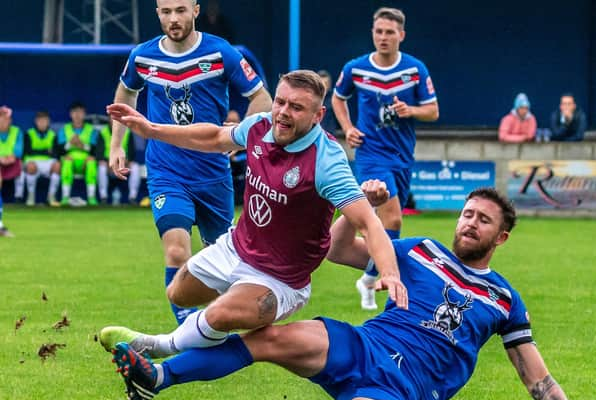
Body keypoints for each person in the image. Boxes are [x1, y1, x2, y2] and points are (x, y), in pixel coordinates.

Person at [102, 187, 591, 400]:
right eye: (466, 214)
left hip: (403, 385)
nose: (469, 224)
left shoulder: (504, 298)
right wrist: (360, 207)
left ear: (500, 237)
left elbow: (537, 379)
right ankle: (159, 378)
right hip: (360, 345)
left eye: (482, 221)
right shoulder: (419, 250)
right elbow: (338, 251)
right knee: (267, 339)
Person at [101, 70, 407, 363]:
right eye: (280, 102)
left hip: (280, 279)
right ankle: (214, 326)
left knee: (219, 315)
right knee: (178, 294)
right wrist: (152, 129)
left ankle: (159, 346)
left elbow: (367, 221)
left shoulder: (326, 160)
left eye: (297, 107)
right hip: (234, 247)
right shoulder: (259, 126)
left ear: (318, 116)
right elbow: (215, 137)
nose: (283, 112)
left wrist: (390, 273)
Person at [109, 0, 272, 324]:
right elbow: (125, 96)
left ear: (196, 11)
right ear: (157, 13)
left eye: (180, 10)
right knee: (175, 251)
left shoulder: (220, 52)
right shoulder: (142, 56)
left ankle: (221, 324)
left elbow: (261, 98)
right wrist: (117, 144)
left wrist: (239, 137)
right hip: (166, 171)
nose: (173, 18)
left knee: (224, 264)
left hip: (212, 175)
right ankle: (188, 333)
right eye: (166, 12)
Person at [331, 7, 439, 311]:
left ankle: (369, 274)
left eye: (389, 32)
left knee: (386, 222)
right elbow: (338, 98)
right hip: (371, 155)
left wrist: (411, 111)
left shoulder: (415, 69)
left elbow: (433, 110)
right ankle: (381, 277)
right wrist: (348, 128)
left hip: (402, 155)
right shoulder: (356, 68)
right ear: (372, 34)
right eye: (378, 31)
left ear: (401, 36)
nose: (383, 37)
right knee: (391, 217)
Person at [15, 111, 61, 206]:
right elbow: (28, 151)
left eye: (45, 121)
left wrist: (39, 151)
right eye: (40, 121)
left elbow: (56, 153)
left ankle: (51, 197)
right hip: (32, 161)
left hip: (48, 162)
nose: (42, 123)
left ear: (48, 122)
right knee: (31, 166)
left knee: (57, 166)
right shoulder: (29, 134)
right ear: (36, 121)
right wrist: (46, 151)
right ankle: (31, 197)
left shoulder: (53, 135)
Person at [57, 101, 99, 206]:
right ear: (71, 114)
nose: (77, 115)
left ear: (84, 114)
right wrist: (70, 144)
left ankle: (91, 197)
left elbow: (95, 149)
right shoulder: (64, 129)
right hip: (70, 158)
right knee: (66, 163)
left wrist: (82, 145)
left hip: (85, 159)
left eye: (80, 112)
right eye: (75, 112)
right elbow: (59, 149)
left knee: (91, 163)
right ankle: (65, 197)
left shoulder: (91, 130)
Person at [96, 118, 141, 205]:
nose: (114, 121)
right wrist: (110, 163)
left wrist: (125, 162)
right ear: (109, 118)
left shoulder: (127, 132)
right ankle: (103, 197)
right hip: (108, 165)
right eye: (112, 118)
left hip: (123, 164)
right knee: (101, 167)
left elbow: (132, 153)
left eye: (117, 118)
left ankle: (132, 197)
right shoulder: (103, 132)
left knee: (135, 166)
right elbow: (99, 154)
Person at [0, 105, 21, 237]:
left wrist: (9, 158)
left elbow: (18, 150)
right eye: (1, 118)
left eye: (6, 118)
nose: (4, 121)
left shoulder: (16, 132)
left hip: (11, 164)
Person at [317, 70, 338, 135]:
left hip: (329, 134)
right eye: (323, 83)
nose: (325, 86)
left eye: (327, 83)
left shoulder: (335, 98)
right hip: (314, 135)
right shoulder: (311, 98)